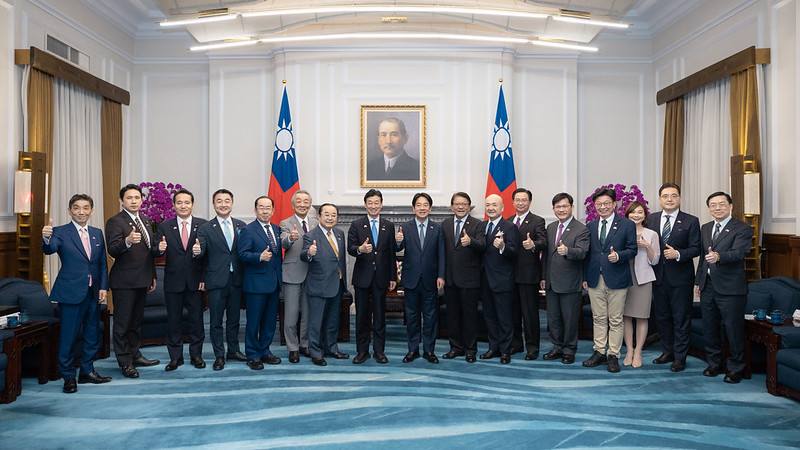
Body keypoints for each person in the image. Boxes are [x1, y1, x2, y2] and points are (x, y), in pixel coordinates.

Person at [42, 194, 112, 393]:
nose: (81, 211)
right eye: (76, 208)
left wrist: (102, 288)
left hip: (93, 292)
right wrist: (46, 237)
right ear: (70, 210)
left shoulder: (97, 233)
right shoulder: (60, 232)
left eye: (85, 208)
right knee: (69, 336)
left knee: (92, 334)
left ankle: (87, 371)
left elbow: (101, 264)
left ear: (91, 210)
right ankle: (68, 377)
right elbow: (49, 249)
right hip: (70, 292)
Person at [105, 184, 163, 378]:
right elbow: (113, 249)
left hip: (143, 279)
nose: (134, 201)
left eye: (137, 197)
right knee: (122, 323)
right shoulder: (115, 221)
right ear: (122, 201)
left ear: (141, 200)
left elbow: (149, 253)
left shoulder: (146, 220)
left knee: (136, 323)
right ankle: (125, 362)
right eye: (129, 198)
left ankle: (135, 354)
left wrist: (153, 273)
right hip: (124, 281)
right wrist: (127, 241)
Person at [695, 191, 752, 384]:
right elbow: (703, 258)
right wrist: (698, 282)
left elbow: (740, 253)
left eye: (721, 204)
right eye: (713, 205)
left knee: (733, 329)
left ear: (731, 206)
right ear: (709, 208)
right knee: (710, 327)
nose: (717, 208)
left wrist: (720, 256)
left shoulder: (742, 228)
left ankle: (736, 368)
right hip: (708, 285)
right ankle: (714, 364)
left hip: (731, 288)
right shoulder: (706, 228)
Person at [645, 183, 701, 372]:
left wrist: (678, 254)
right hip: (658, 277)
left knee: (681, 318)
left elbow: (696, 248)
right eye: (665, 196)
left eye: (674, 195)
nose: (670, 199)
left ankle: (680, 357)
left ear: (679, 198)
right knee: (661, 317)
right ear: (660, 198)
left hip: (681, 279)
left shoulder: (691, 221)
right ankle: (667, 351)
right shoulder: (651, 219)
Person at [582, 188, 637, 373]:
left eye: (606, 203)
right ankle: (599, 351)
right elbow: (588, 254)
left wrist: (619, 256)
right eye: (599, 204)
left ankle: (613, 354)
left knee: (615, 319)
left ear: (614, 205)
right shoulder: (590, 225)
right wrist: (584, 277)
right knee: (598, 318)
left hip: (617, 278)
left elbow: (633, 249)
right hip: (594, 278)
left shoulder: (627, 225)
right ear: (594, 206)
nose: (603, 207)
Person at [196, 188, 247, 371]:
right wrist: (197, 251)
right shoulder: (205, 228)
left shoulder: (241, 226)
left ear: (232, 204)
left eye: (227, 201)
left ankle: (233, 350)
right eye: (219, 201)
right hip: (216, 281)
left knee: (234, 320)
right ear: (214, 204)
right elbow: (201, 252)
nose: (223, 204)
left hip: (236, 280)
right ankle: (219, 355)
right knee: (216, 321)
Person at [158, 189, 207, 371]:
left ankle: (196, 356)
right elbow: (156, 250)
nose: (183, 206)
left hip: (196, 281)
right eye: (179, 202)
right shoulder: (164, 226)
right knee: (174, 321)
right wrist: (160, 248)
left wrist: (203, 277)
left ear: (192, 204)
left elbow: (207, 255)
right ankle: (175, 358)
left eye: (187, 202)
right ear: (174, 205)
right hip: (173, 281)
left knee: (196, 320)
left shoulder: (203, 225)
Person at [347, 189, 397, 364]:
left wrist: (393, 277)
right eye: (370, 203)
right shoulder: (356, 224)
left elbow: (391, 253)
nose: (374, 206)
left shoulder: (389, 225)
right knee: (362, 316)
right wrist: (360, 249)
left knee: (380, 316)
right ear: (365, 204)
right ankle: (362, 351)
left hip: (382, 278)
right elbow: (350, 248)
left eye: (377, 203)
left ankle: (379, 351)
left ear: (381, 204)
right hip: (362, 278)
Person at [395, 193, 445, 364]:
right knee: (412, 317)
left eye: (425, 205)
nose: (422, 208)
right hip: (411, 280)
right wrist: (397, 241)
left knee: (430, 317)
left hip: (431, 279)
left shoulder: (437, 228)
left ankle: (429, 351)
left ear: (430, 208)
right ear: (413, 208)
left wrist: (441, 275)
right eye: (419, 205)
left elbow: (442, 254)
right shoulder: (405, 227)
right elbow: (397, 248)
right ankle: (413, 349)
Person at [540, 193, 589, 365]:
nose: (561, 209)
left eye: (564, 206)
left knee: (569, 319)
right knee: (553, 318)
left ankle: (569, 349)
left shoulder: (581, 228)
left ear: (571, 207)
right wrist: (543, 277)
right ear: (553, 209)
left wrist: (568, 251)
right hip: (551, 282)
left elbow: (583, 252)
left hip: (570, 282)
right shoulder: (551, 227)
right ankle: (557, 347)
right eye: (558, 207)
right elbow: (546, 255)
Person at [300, 203, 350, 366]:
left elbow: (339, 259)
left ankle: (331, 348)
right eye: (327, 214)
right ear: (319, 217)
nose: (330, 218)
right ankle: (315, 352)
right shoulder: (311, 235)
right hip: (318, 285)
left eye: (333, 215)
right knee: (316, 322)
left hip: (337, 284)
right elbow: (303, 255)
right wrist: (309, 253)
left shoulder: (340, 233)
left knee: (333, 320)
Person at [237, 196, 283, 370]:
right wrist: (259, 257)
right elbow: (242, 254)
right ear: (255, 210)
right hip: (255, 285)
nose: (265, 210)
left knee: (270, 322)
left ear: (273, 210)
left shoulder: (277, 229)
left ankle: (265, 351)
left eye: (268, 207)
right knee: (254, 322)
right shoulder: (248, 230)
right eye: (261, 207)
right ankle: (253, 354)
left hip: (273, 283)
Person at [441, 192, 485, 363]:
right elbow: (442, 252)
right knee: (452, 316)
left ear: (469, 206)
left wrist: (471, 242)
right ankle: (455, 347)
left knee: (469, 317)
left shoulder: (477, 224)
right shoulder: (444, 224)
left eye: (464, 204)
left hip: (470, 279)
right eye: (457, 204)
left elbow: (483, 246)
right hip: (450, 279)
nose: (460, 207)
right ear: (452, 206)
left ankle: (470, 350)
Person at [480, 194, 520, 364]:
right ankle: (493, 347)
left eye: (494, 205)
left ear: (502, 208)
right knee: (489, 316)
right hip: (484, 280)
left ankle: (505, 351)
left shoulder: (509, 227)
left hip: (502, 280)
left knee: (504, 318)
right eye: (488, 205)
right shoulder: (481, 226)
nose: (491, 208)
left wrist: (503, 246)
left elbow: (515, 252)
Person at [279, 190, 317, 363]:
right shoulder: (286, 222)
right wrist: (290, 238)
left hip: (313, 273)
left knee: (308, 314)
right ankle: (292, 348)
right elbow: (283, 240)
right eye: (299, 201)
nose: (303, 204)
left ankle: (305, 344)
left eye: (306, 201)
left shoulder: (316, 222)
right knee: (291, 315)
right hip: (292, 273)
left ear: (310, 204)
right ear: (293, 204)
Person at [510, 188, 547, 360]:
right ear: (513, 202)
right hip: (509, 276)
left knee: (530, 314)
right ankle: (516, 345)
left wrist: (533, 245)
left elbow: (544, 242)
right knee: (513, 313)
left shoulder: (537, 221)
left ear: (529, 202)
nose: (520, 203)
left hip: (529, 275)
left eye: (524, 200)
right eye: (517, 200)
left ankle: (532, 348)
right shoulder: (508, 221)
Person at [622, 201, 659, 368]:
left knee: (642, 316)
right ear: (627, 214)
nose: (636, 215)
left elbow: (655, 260)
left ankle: (638, 351)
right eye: (632, 212)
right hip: (623, 277)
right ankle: (629, 350)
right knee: (625, 316)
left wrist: (647, 246)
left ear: (645, 215)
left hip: (643, 278)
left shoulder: (651, 234)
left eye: (640, 212)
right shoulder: (621, 231)